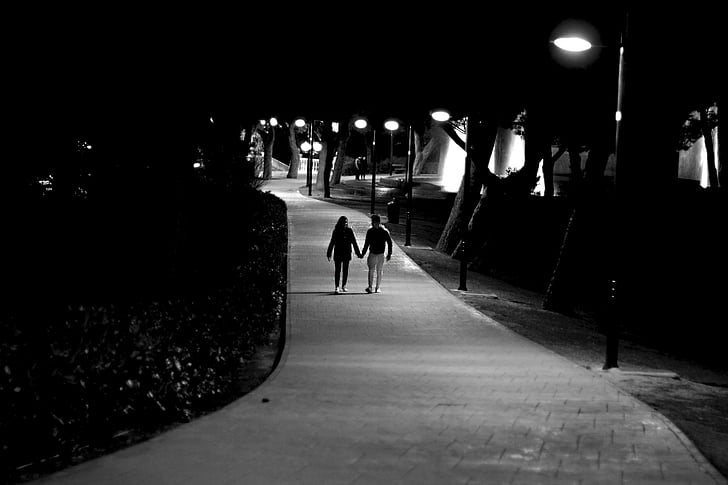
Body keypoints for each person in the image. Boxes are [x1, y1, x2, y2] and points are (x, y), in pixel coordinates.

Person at [326, 216, 361, 294]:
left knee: (345, 270)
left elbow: (354, 242)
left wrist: (358, 253)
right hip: (338, 252)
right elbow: (332, 242)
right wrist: (329, 253)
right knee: (337, 270)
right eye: (344, 222)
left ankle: (344, 285)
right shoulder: (336, 231)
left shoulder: (349, 231)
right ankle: (337, 286)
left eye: (346, 222)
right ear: (340, 223)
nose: (345, 224)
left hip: (347, 253)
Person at [359, 213, 393, 293]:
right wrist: (363, 253)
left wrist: (389, 253)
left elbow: (389, 243)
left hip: (380, 253)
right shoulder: (372, 231)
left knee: (378, 271)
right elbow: (366, 243)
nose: (375, 224)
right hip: (373, 253)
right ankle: (371, 286)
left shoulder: (383, 231)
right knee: (372, 270)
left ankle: (377, 287)